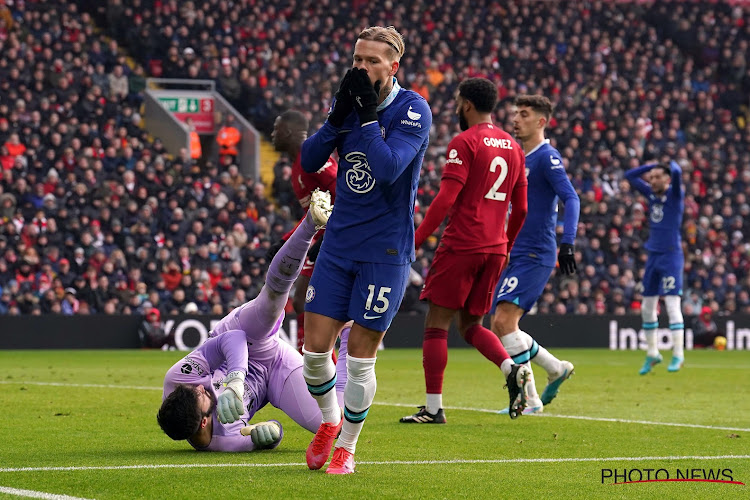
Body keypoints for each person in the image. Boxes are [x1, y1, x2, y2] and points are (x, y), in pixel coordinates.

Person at [299, 25, 431, 474]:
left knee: (359, 357)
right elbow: (309, 160)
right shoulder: (346, 106)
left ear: (393, 67)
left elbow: (389, 167)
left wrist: (368, 115)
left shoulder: (414, 109)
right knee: (313, 355)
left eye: (371, 61)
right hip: (338, 246)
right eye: (357, 59)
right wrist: (338, 118)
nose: (361, 67)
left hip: (385, 253)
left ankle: (348, 447)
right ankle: (330, 422)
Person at [157, 191, 340, 451]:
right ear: (204, 422)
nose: (199, 388)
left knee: (273, 299)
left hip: (248, 339)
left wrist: (234, 381)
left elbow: (233, 339)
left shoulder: (178, 382)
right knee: (335, 423)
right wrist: (268, 432)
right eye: (201, 395)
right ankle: (345, 342)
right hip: (275, 372)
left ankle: (311, 221)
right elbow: (274, 433)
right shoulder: (226, 441)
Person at [399, 78, 531, 424]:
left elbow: (446, 199)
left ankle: (432, 408)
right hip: (495, 248)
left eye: (459, 102)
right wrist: (507, 246)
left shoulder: (464, 142)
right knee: (472, 324)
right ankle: (510, 367)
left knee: (437, 323)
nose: (457, 108)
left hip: (463, 243)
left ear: (467, 105)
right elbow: (522, 209)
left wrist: (413, 240)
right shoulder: (513, 147)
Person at [490, 95, 580, 415]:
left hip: (536, 252)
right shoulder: (519, 156)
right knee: (500, 325)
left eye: (524, 114)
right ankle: (555, 369)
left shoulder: (547, 157)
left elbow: (571, 198)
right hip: (514, 251)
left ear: (541, 121)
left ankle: (531, 399)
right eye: (515, 113)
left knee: (503, 320)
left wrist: (567, 242)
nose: (516, 119)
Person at [269, 110, 338, 354]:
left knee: (307, 302)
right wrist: (285, 241)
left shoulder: (312, 156)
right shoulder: (299, 163)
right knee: (302, 302)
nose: (272, 135)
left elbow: (344, 191)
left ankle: (318, 366)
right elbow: (315, 211)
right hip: (326, 235)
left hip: (339, 235)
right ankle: (315, 365)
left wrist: (330, 235)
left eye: (276, 130)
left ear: (287, 131)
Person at [625, 159, 685, 374]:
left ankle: (678, 354)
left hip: (671, 257)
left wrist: (668, 164)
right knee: (646, 307)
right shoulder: (651, 195)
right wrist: (650, 167)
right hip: (653, 256)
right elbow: (629, 175)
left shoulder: (675, 195)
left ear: (667, 180)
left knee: (672, 305)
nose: (652, 180)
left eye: (658, 177)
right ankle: (653, 354)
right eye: (651, 178)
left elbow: (677, 171)